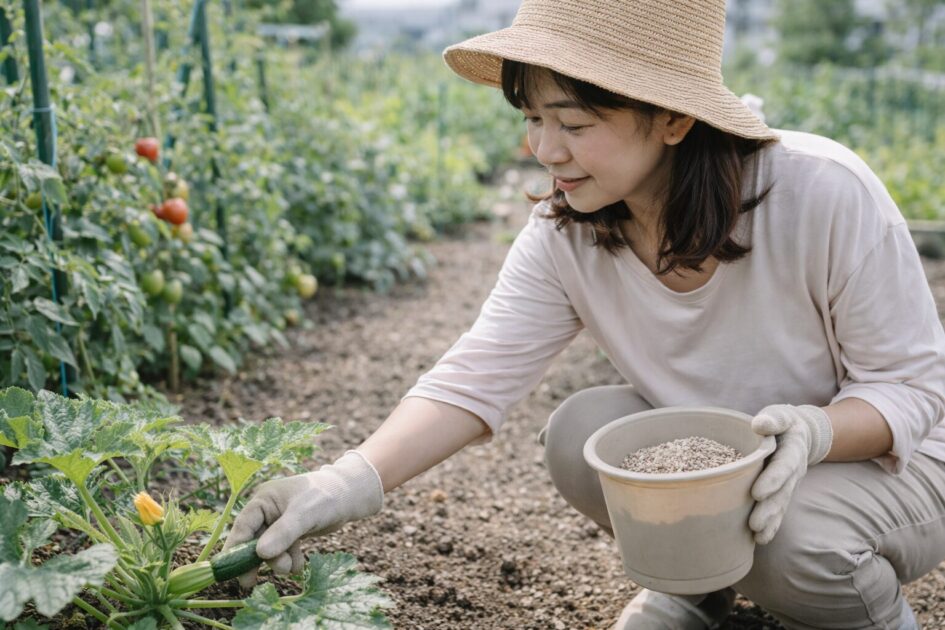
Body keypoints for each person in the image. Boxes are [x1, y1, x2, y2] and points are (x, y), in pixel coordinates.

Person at [225, 0, 945, 628]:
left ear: (671, 117)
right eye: (534, 118)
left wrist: (813, 431)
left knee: (790, 539)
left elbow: (913, 389)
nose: (544, 149)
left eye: (572, 121)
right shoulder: (568, 228)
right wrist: (337, 485)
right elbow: (473, 377)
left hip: (895, 465)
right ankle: (697, 588)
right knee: (581, 435)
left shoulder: (820, 193)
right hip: (736, 460)